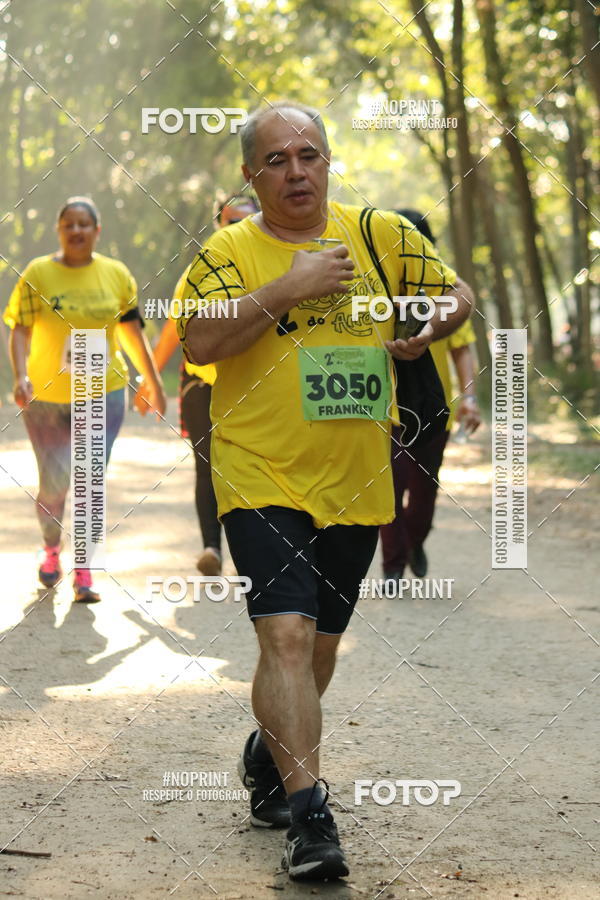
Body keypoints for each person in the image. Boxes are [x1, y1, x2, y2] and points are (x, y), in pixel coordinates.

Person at [176, 101, 475, 881]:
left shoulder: (379, 234)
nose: (296, 169)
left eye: (309, 153)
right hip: (259, 470)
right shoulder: (227, 252)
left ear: (329, 160)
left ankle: (268, 751)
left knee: (317, 653)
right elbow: (199, 338)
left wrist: (429, 325)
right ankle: (313, 822)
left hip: (355, 480)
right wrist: (287, 287)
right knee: (284, 639)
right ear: (252, 174)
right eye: (277, 159)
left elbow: (458, 294)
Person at [4, 196, 166, 602]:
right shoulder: (38, 273)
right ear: (59, 231)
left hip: (103, 393)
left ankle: (85, 569)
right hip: (47, 398)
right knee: (54, 484)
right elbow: (20, 330)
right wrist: (20, 375)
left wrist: (153, 382)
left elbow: (131, 333)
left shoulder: (116, 275)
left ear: (98, 231)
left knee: (90, 482)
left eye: (83, 224)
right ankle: (51, 549)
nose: (76, 230)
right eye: (68, 224)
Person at [149, 194, 258, 575]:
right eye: (231, 222)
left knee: (253, 468)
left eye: (248, 218)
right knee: (207, 467)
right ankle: (212, 547)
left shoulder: (274, 264)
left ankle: (257, 553)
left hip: (257, 387)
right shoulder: (200, 269)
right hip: (203, 384)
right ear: (218, 226)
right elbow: (172, 328)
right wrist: (150, 378)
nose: (239, 227)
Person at [380, 210, 482, 580]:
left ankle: (416, 540)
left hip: (433, 408)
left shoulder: (443, 292)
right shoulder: (377, 286)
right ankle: (392, 566)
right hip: (385, 409)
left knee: (425, 490)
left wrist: (469, 398)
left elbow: (461, 349)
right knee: (390, 488)